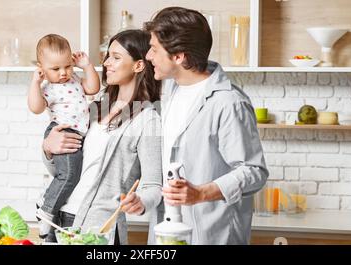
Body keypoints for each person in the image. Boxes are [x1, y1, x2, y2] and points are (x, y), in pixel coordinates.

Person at [144, 7, 269, 244]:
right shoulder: (170, 89)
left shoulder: (228, 102)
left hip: (212, 234)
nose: (149, 56)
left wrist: (201, 193)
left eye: (154, 49)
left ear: (179, 56)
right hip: (167, 229)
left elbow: (254, 171)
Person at [41, 29, 163, 244]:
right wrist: (48, 150)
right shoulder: (95, 109)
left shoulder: (148, 119)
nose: (107, 63)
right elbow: (63, 169)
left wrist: (141, 201)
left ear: (138, 65)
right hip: (59, 218)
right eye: (108, 56)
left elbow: (154, 185)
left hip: (99, 228)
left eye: (116, 57)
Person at [27, 34, 100, 239]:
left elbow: (93, 88)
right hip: (61, 130)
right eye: (55, 69)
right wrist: (35, 82)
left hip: (77, 132)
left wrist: (86, 67)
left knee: (70, 175)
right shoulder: (48, 88)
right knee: (68, 175)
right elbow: (36, 107)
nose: (63, 73)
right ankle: (46, 210)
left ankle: (47, 200)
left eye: (67, 66)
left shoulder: (75, 78)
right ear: (42, 67)